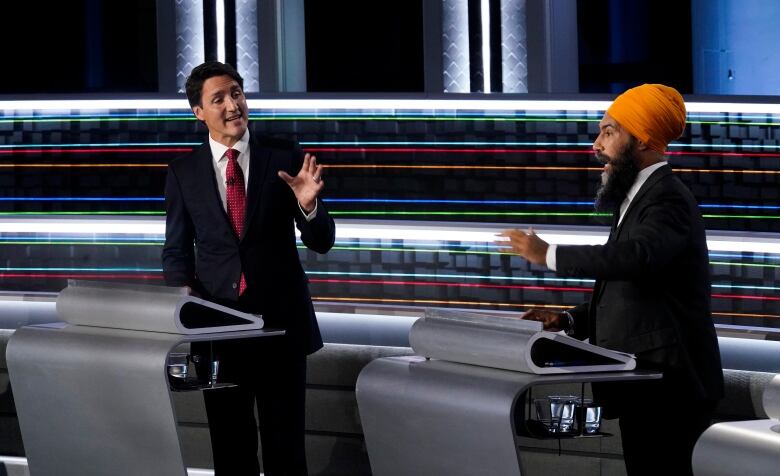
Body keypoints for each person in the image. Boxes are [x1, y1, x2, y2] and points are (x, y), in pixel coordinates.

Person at [497, 84, 723, 475]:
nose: (596, 144)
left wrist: (547, 253)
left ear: (642, 139)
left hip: (670, 389)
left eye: (609, 131)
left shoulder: (666, 198)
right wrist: (568, 321)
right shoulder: (638, 199)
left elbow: (636, 259)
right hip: (647, 386)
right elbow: (633, 292)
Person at [162, 61, 335, 475]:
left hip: (281, 330)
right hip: (219, 335)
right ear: (198, 112)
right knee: (231, 451)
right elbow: (176, 252)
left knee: (286, 453)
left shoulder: (284, 155)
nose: (232, 105)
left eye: (236, 93)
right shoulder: (183, 172)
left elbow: (322, 241)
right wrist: (179, 305)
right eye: (218, 98)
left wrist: (309, 205)